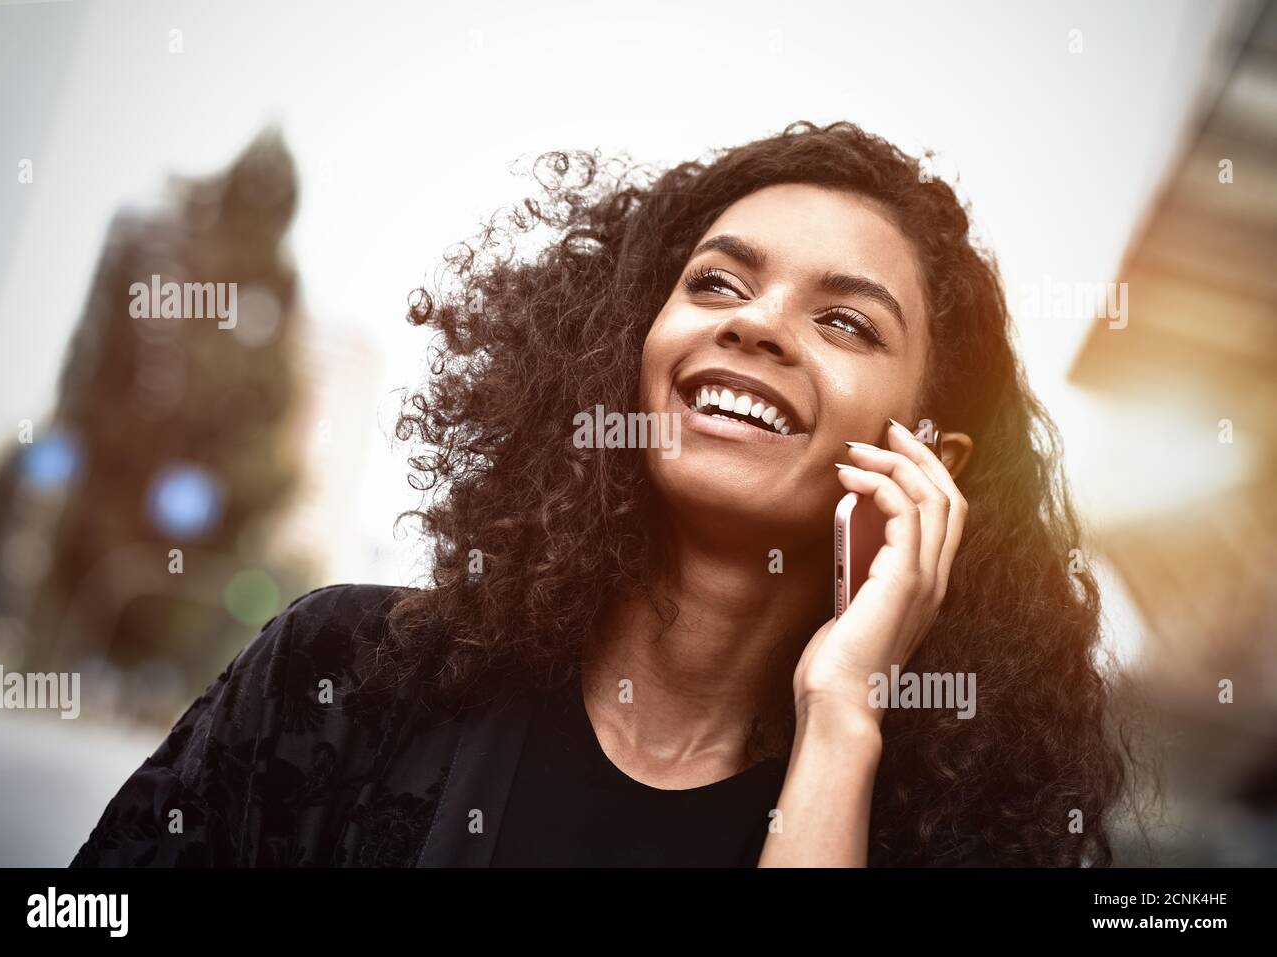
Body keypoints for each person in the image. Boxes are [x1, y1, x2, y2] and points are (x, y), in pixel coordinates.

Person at [70, 119, 1134, 868]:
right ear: (624, 350)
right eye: (716, 281)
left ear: (926, 461)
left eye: (844, 320)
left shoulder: (948, 833)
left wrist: (843, 718)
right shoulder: (341, 675)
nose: (755, 323)